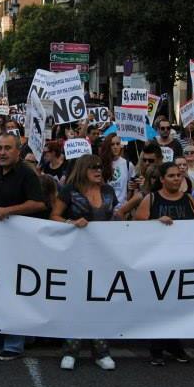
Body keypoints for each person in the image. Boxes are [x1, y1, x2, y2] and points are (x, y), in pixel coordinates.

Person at [134, 162, 194, 366]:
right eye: (172, 175)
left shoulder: (188, 199)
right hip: (157, 260)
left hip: (183, 260)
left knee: (176, 305)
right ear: (162, 179)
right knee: (160, 303)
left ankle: (170, 343)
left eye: (179, 175)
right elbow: (136, 224)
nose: (177, 178)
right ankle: (159, 347)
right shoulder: (151, 199)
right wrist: (156, 221)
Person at [49, 154, 117, 371]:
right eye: (93, 167)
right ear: (83, 169)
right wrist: (71, 222)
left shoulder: (108, 191)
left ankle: (101, 351)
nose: (98, 170)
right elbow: (54, 216)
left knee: (99, 302)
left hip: (103, 255)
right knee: (77, 300)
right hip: (75, 254)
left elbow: (113, 216)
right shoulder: (69, 191)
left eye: (100, 167)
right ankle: (71, 350)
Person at [0, 133, 47, 361]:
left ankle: (13, 344)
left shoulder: (26, 173)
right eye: (0, 148)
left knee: (15, 289)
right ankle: (26, 336)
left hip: (23, 243)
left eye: (7, 148)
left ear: (17, 151)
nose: (2, 152)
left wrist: (8, 211)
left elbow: (39, 203)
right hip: (2, 241)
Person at [100, 134, 133, 211]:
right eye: (112, 144)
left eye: (118, 144)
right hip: (105, 209)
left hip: (121, 210)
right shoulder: (101, 164)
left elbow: (131, 188)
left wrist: (126, 206)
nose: (115, 147)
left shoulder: (128, 164)